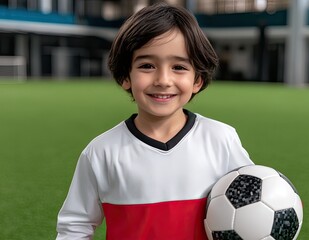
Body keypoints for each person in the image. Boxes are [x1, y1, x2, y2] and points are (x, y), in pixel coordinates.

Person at [56, 3, 253, 240]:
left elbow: (251, 201)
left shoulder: (221, 139)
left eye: (179, 67)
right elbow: (75, 226)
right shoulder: (101, 152)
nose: (163, 79)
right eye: (147, 66)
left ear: (197, 80)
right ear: (125, 76)